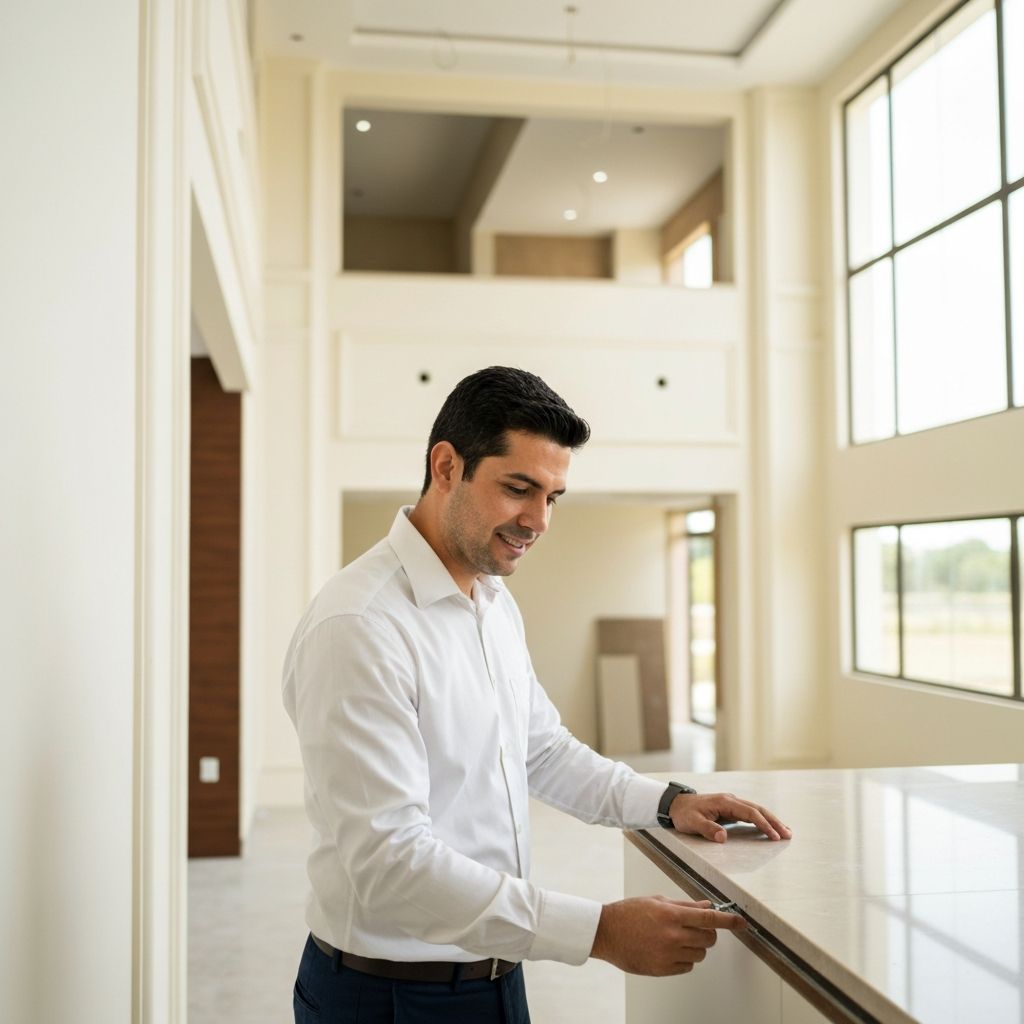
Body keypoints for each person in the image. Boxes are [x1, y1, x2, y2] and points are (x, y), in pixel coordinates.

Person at [282, 366, 791, 1023]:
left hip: (495, 979)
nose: (539, 520)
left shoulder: (492, 601)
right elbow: (389, 866)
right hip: (390, 997)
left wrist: (667, 802)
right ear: (446, 466)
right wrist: (599, 931)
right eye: (519, 489)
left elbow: (540, 750)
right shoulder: (361, 625)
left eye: (554, 496)